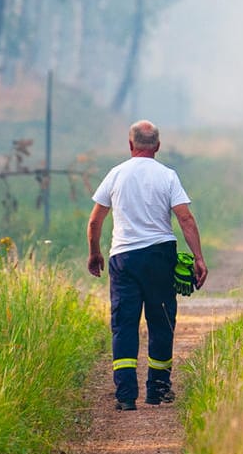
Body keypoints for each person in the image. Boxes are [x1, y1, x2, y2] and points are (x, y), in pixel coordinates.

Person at [87, 120, 208, 411]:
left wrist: (94, 253)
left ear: (131, 145)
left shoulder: (116, 174)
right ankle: (157, 389)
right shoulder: (167, 176)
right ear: (157, 146)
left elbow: (95, 220)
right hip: (159, 256)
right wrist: (199, 257)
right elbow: (185, 218)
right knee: (161, 321)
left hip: (123, 258)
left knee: (124, 325)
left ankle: (126, 396)